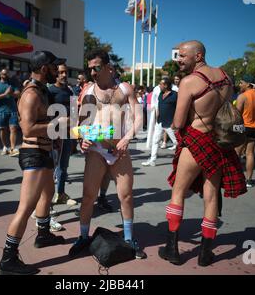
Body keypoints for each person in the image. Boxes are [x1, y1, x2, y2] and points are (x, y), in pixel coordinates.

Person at [159, 41, 246, 267]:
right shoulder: (226, 78)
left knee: (178, 192)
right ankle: (205, 253)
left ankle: (172, 249)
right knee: (211, 197)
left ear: (198, 56)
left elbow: (178, 123)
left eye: (183, 56)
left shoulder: (189, 82)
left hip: (196, 141)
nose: (179, 59)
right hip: (219, 143)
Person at [68, 49, 146, 259]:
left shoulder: (124, 88)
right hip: (96, 150)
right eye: (90, 68)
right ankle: (84, 237)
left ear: (108, 67)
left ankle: (129, 239)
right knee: (88, 197)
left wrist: (127, 137)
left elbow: (139, 118)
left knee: (126, 196)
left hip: (119, 150)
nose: (92, 71)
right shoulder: (87, 91)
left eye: (97, 67)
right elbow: (79, 122)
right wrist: (81, 138)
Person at [0, 51, 66, 275]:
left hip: (43, 153)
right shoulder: (31, 95)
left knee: (48, 194)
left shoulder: (41, 90)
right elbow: (27, 129)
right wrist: (57, 123)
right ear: (44, 67)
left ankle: (43, 235)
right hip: (33, 154)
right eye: (54, 66)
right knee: (26, 207)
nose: (58, 70)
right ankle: (7, 259)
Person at [49, 63, 77, 206]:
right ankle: (46, 202)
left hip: (67, 134)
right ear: (55, 74)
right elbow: (44, 114)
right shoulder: (50, 91)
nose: (64, 75)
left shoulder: (70, 91)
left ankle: (60, 193)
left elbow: (74, 112)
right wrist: (58, 120)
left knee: (63, 166)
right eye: (61, 72)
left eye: (66, 72)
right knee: (51, 168)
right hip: (54, 135)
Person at [234, 75, 255, 188]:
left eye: (241, 82)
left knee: (236, 153)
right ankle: (249, 180)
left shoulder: (243, 96)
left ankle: (234, 177)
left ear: (248, 84)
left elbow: (236, 115)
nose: (240, 84)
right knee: (250, 153)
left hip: (243, 126)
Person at [142, 77, 178, 167]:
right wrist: (157, 115)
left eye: (161, 84)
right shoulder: (160, 94)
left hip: (170, 123)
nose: (159, 85)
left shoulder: (175, 95)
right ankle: (152, 160)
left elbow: (179, 109)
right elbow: (159, 105)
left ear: (166, 85)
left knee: (177, 142)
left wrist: (175, 121)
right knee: (155, 141)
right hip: (160, 122)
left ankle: (183, 160)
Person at [0, 69, 20, 157]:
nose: (5, 74)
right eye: (3, 73)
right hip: (1, 111)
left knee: (13, 128)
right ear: (0, 74)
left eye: (6, 73)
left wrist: (11, 94)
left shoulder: (12, 84)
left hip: (12, 110)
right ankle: (5, 147)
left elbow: (18, 94)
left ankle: (12, 148)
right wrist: (5, 94)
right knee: (3, 129)